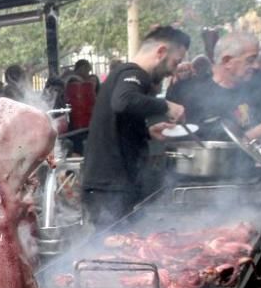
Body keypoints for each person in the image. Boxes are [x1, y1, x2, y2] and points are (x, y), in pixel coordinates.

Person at [81, 26, 189, 226]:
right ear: (161, 52)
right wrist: (166, 105)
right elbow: (123, 101)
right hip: (109, 188)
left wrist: (146, 132)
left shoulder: (128, 75)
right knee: (114, 250)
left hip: (111, 185)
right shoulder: (133, 73)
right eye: (176, 61)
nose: (174, 70)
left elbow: (117, 121)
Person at [167, 31, 261, 167]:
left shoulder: (258, 87)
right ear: (227, 61)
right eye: (250, 60)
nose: (256, 65)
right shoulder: (189, 93)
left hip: (257, 175)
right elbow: (213, 146)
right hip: (209, 177)